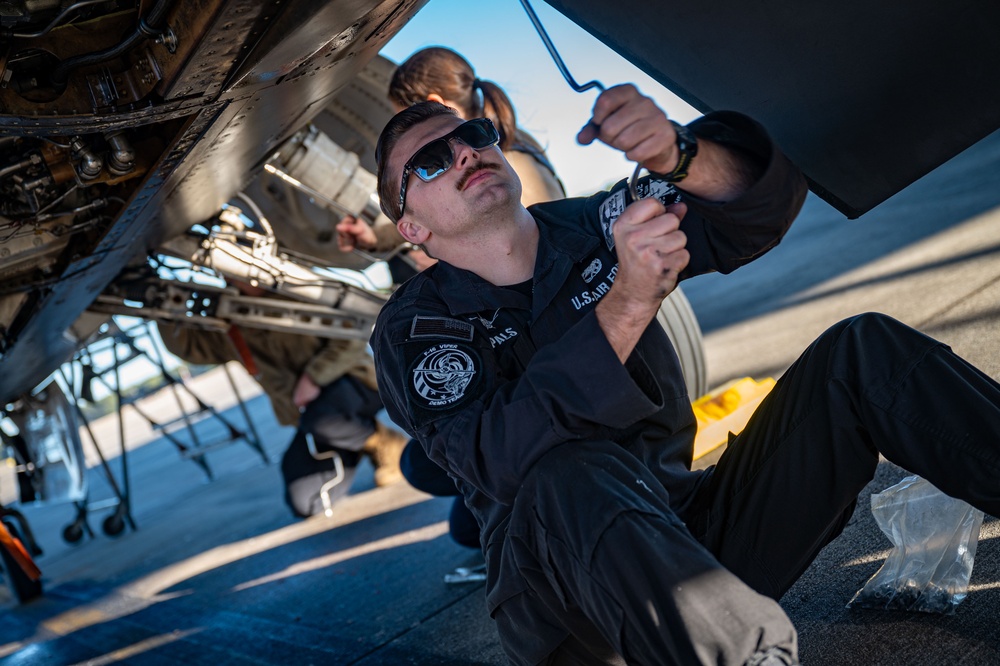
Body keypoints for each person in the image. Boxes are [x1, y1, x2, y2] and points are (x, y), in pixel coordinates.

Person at [368, 84, 1000, 665]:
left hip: (689, 533)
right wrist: (626, 304)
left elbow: (754, 213)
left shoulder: (590, 226)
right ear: (413, 228)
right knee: (567, 467)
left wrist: (679, 153)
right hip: (577, 607)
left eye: (472, 137)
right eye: (428, 162)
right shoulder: (417, 328)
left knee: (861, 353)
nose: (462, 156)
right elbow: (500, 455)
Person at [337, 46, 568, 548]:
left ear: (437, 101)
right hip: (560, 387)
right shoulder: (509, 155)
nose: (463, 156)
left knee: (430, 466)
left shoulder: (501, 180)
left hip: (554, 394)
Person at [158, 279, 407, 519]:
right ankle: (359, 440)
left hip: (357, 382)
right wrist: (165, 310)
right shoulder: (231, 319)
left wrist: (313, 377)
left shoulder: (299, 289)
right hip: (311, 413)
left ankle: (383, 443)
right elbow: (191, 348)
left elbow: (352, 335)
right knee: (305, 502)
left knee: (322, 420)